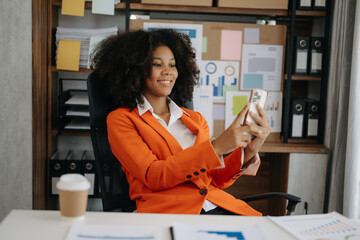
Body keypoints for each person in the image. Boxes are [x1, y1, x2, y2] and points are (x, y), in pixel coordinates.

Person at [91, 29, 271, 215]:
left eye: (173, 65)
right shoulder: (122, 120)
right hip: (170, 212)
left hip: (217, 208)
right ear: (136, 70)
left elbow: (213, 179)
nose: (168, 71)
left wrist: (248, 150)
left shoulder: (195, 120)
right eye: (157, 64)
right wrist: (216, 148)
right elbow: (153, 175)